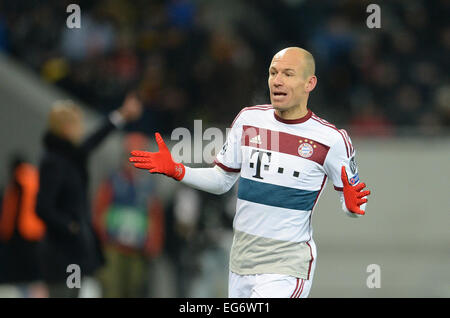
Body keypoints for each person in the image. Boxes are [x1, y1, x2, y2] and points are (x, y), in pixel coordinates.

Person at [129, 47, 371, 298]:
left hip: (286, 264)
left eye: (288, 74)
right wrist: (178, 170)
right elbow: (222, 180)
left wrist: (352, 208)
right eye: (273, 73)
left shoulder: (331, 139)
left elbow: (353, 200)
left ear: (309, 82)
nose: (277, 80)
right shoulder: (249, 120)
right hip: (242, 260)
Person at [36, 93, 142, 298]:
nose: (81, 129)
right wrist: (71, 226)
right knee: (63, 294)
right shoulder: (53, 162)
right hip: (61, 254)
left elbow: (95, 139)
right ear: (66, 127)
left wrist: (121, 115)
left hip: (74, 253)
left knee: (73, 293)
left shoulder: (71, 156)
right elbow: (42, 207)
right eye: (77, 124)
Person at [93, 133, 164, 298]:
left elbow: (155, 216)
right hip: (113, 247)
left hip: (138, 250)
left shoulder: (148, 186)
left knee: (135, 288)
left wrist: (153, 243)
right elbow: (99, 211)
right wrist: (100, 240)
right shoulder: (112, 181)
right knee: (112, 289)